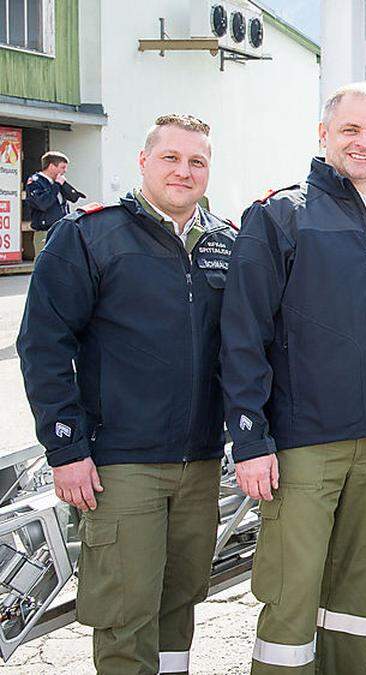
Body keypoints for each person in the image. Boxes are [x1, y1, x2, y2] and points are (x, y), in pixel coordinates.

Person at [221, 82, 366, 674]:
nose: (363, 144)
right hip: (303, 445)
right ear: (324, 134)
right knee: (292, 599)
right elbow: (243, 337)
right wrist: (250, 441)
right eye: (351, 130)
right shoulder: (280, 217)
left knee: (355, 600)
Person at [17, 114, 234, 674]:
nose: (183, 171)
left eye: (197, 161)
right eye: (171, 158)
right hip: (121, 464)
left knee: (181, 603)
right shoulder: (90, 234)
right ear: (143, 161)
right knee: (125, 613)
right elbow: (43, 345)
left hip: (201, 461)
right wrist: (65, 449)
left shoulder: (224, 244)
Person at [24, 150, 85, 255]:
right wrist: (55, 186)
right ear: (51, 166)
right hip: (45, 231)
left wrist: (64, 184)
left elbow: (74, 197)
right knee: (45, 264)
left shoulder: (58, 181)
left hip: (62, 229)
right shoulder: (36, 181)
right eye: (62, 167)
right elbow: (42, 204)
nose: (65, 171)